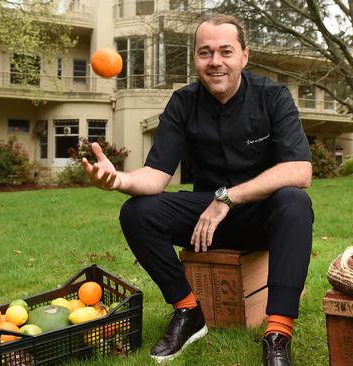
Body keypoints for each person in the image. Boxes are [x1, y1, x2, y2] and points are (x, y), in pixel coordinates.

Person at [83, 13, 313, 366]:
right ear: (195, 59)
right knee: (137, 211)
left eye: (225, 51)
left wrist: (229, 197)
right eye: (205, 53)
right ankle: (188, 311)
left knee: (294, 201)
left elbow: (300, 169)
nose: (215, 62)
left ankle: (278, 333)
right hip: (206, 222)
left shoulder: (273, 97)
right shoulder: (183, 103)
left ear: (244, 56)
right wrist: (119, 180)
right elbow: (156, 176)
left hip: (261, 217)